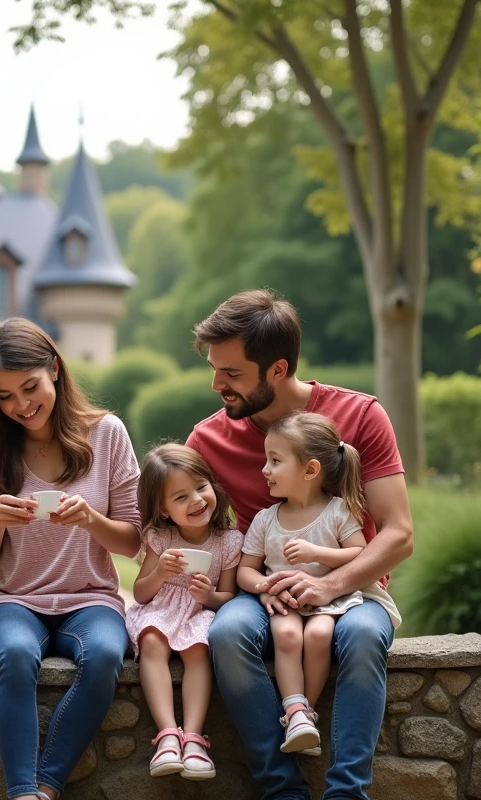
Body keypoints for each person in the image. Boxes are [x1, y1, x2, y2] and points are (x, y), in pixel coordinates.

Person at [185, 289, 414, 800]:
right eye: (214, 369)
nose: (217, 385)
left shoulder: (360, 416)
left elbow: (399, 533)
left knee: (363, 636)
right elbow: (178, 525)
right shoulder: (207, 440)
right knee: (228, 633)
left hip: (353, 590)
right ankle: (283, 791)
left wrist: (329, 584)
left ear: (278, 368)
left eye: (231, 373)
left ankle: (346, 794)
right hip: (264, 590)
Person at [0, 317, 142, 800]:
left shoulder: (107, 434)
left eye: (30, 387)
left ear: (55, 369)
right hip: (11, 601)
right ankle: (22, 793)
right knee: (18, 654)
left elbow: (135, 542)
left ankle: (46, 786)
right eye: (4, 396)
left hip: (91, 599)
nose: (21, 406)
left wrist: (91, 521)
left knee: (106, 655)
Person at [237, 413, 401, 758]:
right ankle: (295, 710)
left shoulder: (338, 512)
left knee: (318, 635)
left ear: (310, 470)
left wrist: (316, 553)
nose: (265, 469)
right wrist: (265, 586)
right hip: (285, 600)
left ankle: (305, 714)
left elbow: (359, 552)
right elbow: (245, 572)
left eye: (275, 461)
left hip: (330, 597)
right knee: (287, 635)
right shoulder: (266, 519)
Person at [126, 444, 243, 781]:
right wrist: (159, 572)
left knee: (198, 649)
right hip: (162, 608)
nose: (196, 500)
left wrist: (209, 596)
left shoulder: (228, 541)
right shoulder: (161, 538)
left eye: (201, 487)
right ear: (163, 510)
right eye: (181, 497)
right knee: (151, 639)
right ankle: (167, 736)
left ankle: (193, 739)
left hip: (199, 611)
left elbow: (228, 596)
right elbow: (141, 593)